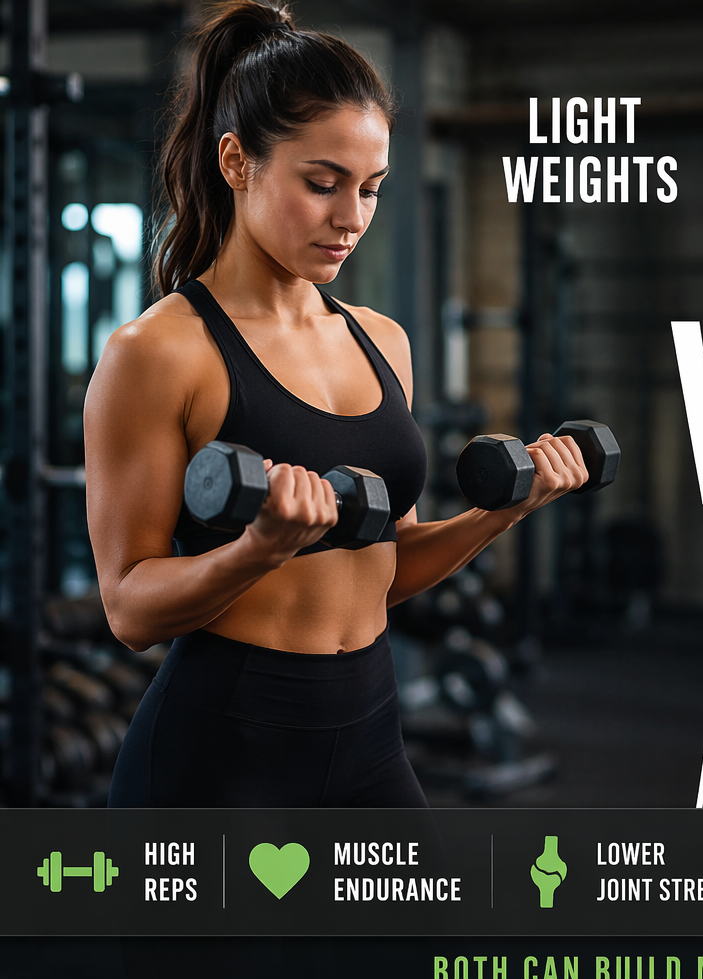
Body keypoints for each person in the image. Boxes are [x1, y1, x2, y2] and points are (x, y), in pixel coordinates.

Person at [88, 0, 588, 807]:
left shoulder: (384, 343)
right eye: (322, 184)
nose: (350, 218)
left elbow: (384, 570)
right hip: (221, 751)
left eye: (371, 189)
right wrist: (259, 549)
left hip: (368, 734)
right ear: (236, 162)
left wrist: (504, 511)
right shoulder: (158, 354)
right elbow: (128, 609)